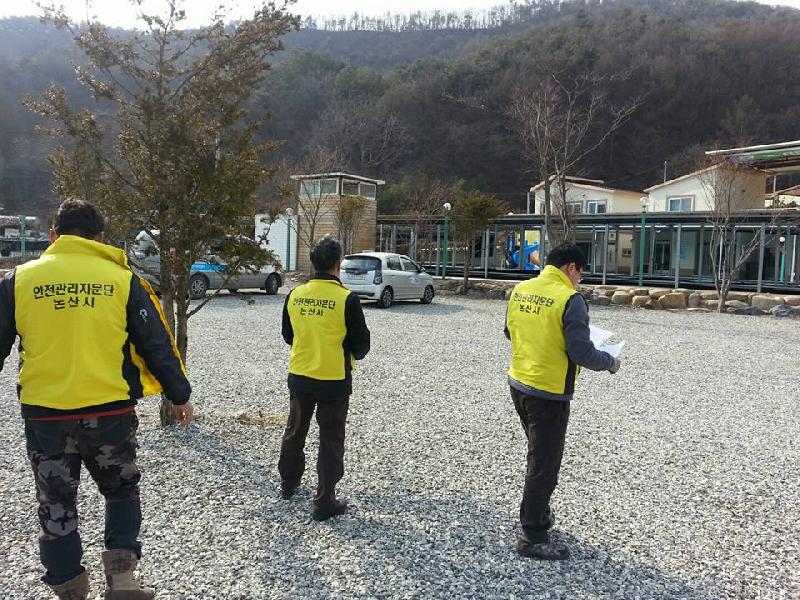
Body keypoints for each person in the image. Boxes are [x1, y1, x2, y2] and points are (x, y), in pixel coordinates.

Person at [0, 199, 193, 600]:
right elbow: (156, 344)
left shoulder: (17, 281)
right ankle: (122, 583)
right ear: (101, 237)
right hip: (110, 412)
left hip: (45, 416)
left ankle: (69, 590)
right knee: (121, 491)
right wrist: (179, 395)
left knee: (56, 502)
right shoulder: (122, 281)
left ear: (53, 236)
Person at [504, 242, 620, 560]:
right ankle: (532, 535)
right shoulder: (570, 299)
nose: (580, 280)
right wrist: (610, 361)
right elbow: (581, 353)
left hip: (519, 383)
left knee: (538, 454)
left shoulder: (521, 289)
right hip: (549, 392)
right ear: (570, 268)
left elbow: (509, 332)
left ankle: (539, 514)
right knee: (544, 464)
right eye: (580, 273)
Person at [278, 237, 370, 521]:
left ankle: (288, 483)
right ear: (337, 264)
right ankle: (324, 501)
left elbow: (288, 335)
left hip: (300, 374)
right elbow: (362, 345)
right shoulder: (346, 299)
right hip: (334, 379)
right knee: (330, 439)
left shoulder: (295, 294)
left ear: (313, 263)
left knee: (295, 430)